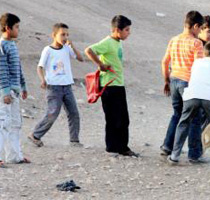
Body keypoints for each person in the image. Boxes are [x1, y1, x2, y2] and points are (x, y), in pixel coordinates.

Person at [85, 15, 138, 157]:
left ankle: (114, 146)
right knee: (117, 118)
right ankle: (120, 147)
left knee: (119, 118)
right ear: (117, 30)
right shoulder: (108, 42)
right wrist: (100, 65)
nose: (129, 32)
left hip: (118, 84)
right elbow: (89, 50)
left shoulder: (117, 42)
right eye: (126, 30)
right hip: (110, 85)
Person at [160, 11, 207, 163]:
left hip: (174, 80)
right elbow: (198, 67)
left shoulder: (174, 40)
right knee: (194, 118)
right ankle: (194, 154)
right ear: (195, 26)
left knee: (177, 114)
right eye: (200, 29)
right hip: (188, 83)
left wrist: (166, 80)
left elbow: (165, 62)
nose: (200, 32)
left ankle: (167, 146)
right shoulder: (196, 43)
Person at [28, 23, 83, 147]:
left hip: (67, 86)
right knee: (53, 113)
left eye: (67, 34)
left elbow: (80, 58)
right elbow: (40, 67)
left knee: (73, 113)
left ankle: (74, 140)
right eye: (62, 34)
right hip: (54, 87)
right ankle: (35, 135)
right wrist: (43, 79)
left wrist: (72, 46)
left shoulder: (67, 48)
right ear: (54, 35)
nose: (65, 37)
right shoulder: (48, 50)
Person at [0, 13, 30, 167]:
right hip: (6, 91)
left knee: (15, 123)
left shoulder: (13, 45)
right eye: (16, 27)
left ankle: (14, 156)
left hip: (15, 90)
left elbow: (18, 68)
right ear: (7, 28)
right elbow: (2, 70)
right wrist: (5, 91)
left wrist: (23, 86)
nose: (18, 30)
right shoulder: (2, 46)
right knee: (3, 123)